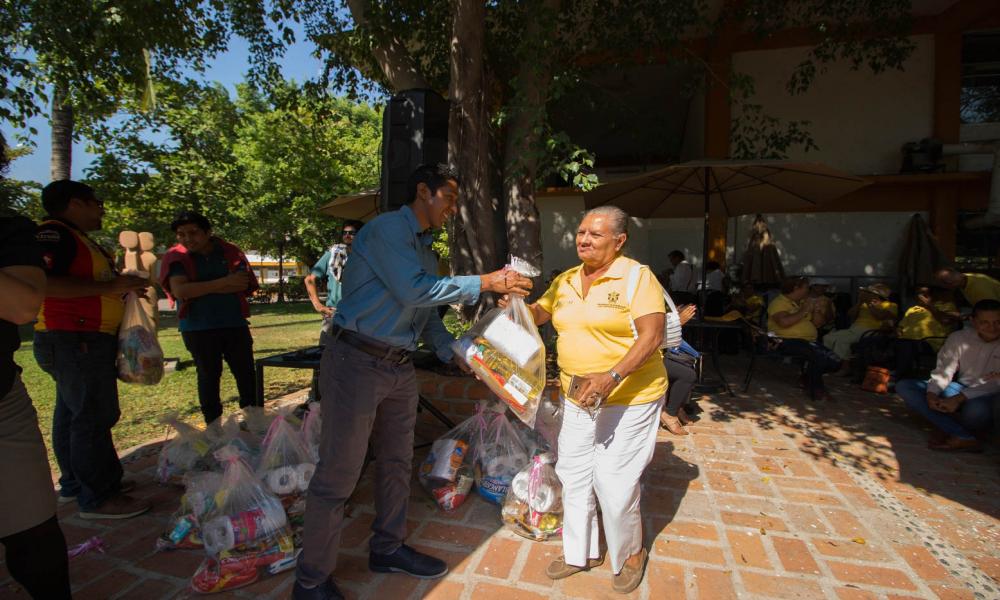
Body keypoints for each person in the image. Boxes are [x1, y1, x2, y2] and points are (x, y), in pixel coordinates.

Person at [293, 164, 532, 600]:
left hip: (398, 367)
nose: (454, 209)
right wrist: (484, 282)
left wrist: (454, 353)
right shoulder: (387, 230)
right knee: (338, 475)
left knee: (397, 462)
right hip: (355, 361)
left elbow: (424, 315)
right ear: (424, 191)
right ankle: (311, 580)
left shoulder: (425, 250)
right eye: (450, 199)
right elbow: (413, 291)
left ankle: (387, 547)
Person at [511, 206, 666, 594]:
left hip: (630, 396)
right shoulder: (564, 280)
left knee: (614, 480)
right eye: (581, 232)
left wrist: (613, 376)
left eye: (595, 235)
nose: (584, 239)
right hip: (578, 396)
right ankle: (581, 552)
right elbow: (538, 315)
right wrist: (514, 306)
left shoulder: (636, 278)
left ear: (619, 241)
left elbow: (652, 336)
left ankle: (631, 553)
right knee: (574, 474)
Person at [33, 180, 150, 519]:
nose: (101, 209)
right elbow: (45, 281)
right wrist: (114, 284)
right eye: (95, 202)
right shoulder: (54, 235)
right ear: (75, 203)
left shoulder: (80, 239)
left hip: (81, 339)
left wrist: (120, 289)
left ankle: (77, 483)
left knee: (72, 413)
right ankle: (99, 496)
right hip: (74, 339)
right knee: (93, 414)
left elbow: (90, 285)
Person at [0, 144, 72, 599]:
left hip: (0, 400)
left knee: (31, 531)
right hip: (69, 340)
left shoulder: (11, 229)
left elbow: (23, 304)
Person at [159, 210, 261, 425]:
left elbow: (242, 282)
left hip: (233, 323)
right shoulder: (176, 257)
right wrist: (224, 283)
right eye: (181, 234)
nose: (188, 239)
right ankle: (213, 427)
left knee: (246, 374)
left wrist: (199, 287)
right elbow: (181, 291)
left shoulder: (230, 251)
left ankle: (254, 420)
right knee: (208, 376)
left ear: (207, 232)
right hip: (197, 328)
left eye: (193, 233)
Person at [896, 299, 1000, 452]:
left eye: (998, 322)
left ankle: (947, 426)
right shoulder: (959, 338)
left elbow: (995, 383)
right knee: (905, 387)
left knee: (974, 413)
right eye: (985, 322)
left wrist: (959, 399)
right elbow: (944, 370)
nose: (992, 328)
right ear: (973, 321)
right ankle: (962, 435)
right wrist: (932, 393)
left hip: (989, 393)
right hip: (960, 387)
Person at [767, 276, 840, 401]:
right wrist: (804, 310)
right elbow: (783, 322)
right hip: (785, 340)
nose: (808, 290)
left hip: (808, 341)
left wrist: (816, 310)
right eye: (806, 287)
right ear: (796, 288)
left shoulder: (802, 302)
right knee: (818, 356)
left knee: (835, 362)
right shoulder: (779, 302)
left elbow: (818, 324)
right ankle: (816, 389)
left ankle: (807, 377)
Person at [305, 219, 363, 344]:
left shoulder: (366, 257)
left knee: (355, 357)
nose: (347, 235)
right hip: (334, 314)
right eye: (345, 232)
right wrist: (318, 306)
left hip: (359, 315)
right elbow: (309, 279)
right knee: (326, 353)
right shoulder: (333, 254)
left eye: (352, 233)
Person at [822, 283, 897, 374]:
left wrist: (869, 304)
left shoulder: (890, 305)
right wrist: (859, 302)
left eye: (870, 293)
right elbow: (850, 314)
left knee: (843, 341)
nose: (868, 294)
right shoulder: (863, 304)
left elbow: (880, 316)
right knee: (828, 338)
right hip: (854, 328)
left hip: (870, 330)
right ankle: (829, 363)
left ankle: (845, 367)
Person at [660, 333, 699, 436]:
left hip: (660, 353)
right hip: (650, 358)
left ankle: (678, 408)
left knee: (687, 363)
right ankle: (670, 413)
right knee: (688, 375)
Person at [935, 267, 1000, 306]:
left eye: (944, 284)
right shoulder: (964, 279)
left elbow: (991, 309)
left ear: (952, 284)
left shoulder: (979, 289)